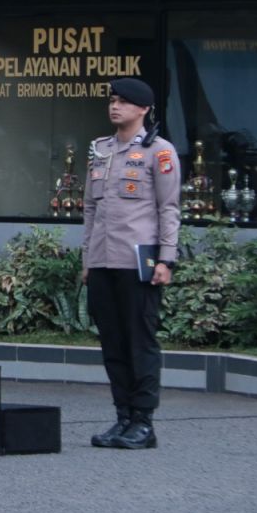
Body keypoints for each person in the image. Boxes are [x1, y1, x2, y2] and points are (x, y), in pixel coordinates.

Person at [82, 77, 181, 451]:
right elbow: (90, 209)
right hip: (102, 262)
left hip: (138, 262)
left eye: (123, 101)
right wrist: (87, 259)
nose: (115, 106)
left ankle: (143, 422)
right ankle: (123, 417)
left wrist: (166, 259)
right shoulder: (100, 150)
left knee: (140, 343)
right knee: (113, 344)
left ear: (143, 109)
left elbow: (168, 209)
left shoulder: (160, 151)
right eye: (112, 100)